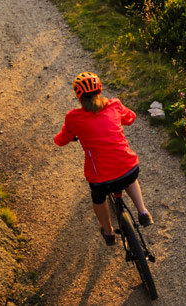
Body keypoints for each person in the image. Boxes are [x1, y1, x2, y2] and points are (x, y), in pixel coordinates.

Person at [53, 72, 153, 246]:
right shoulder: (114, 105)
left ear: (79, 97)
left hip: (101, 179)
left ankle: (108, 233)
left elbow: (61, 141)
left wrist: (66, 137)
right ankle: (143, 212)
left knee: (98, 198)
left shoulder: (73, 118)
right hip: (129, 167)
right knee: (129, 176)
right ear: (100, 90)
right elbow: (131, 118)